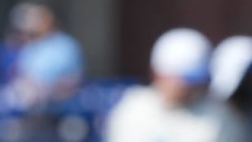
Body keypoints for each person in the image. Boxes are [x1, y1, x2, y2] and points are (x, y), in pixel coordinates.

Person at [105, 27, 245, 142]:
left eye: (194, 80)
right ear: (158, 74)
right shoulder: (133, 109)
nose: (188, 87)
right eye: (182, 79)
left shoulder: (220, 117)